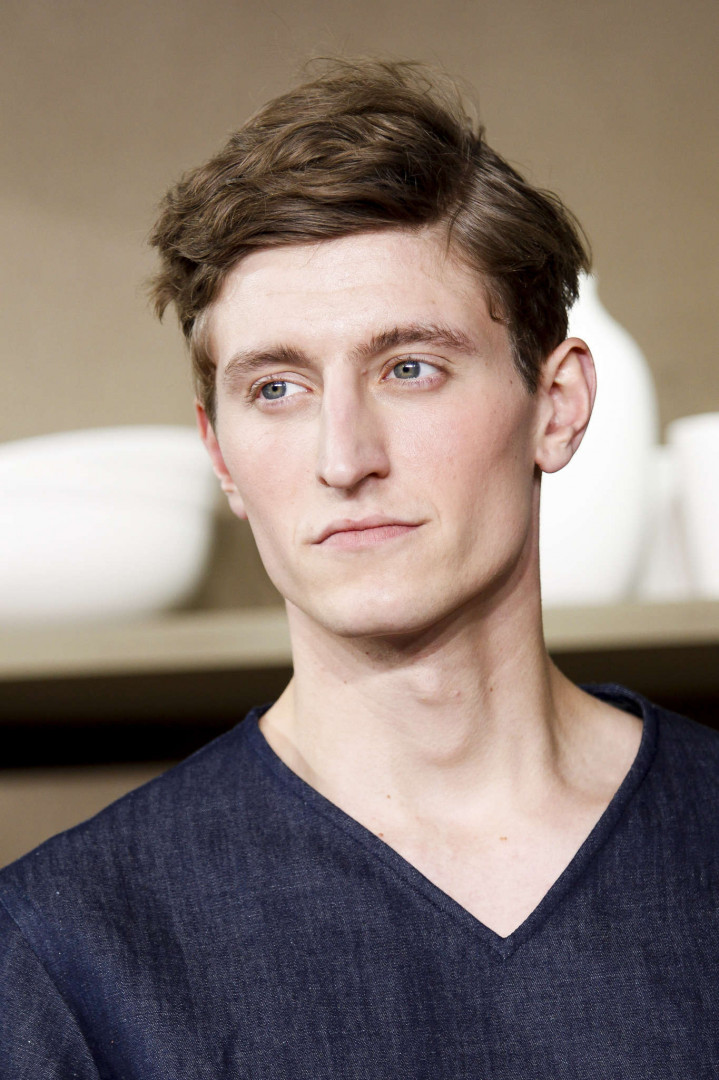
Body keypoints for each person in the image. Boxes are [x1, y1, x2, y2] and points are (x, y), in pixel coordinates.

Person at [1, 59, 717, 1077]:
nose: (344, 458)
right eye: (278, 388)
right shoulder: (70, 954)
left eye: (409, 368)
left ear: (554, 407)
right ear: (219, 455)